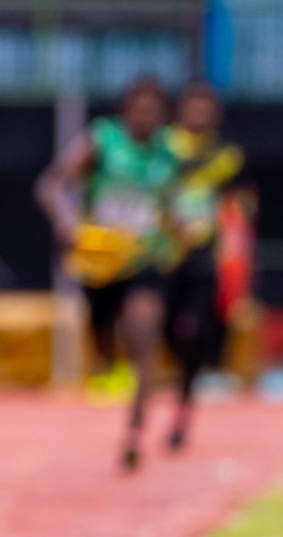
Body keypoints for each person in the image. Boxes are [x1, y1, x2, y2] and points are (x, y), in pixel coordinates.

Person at [36, 77, 177, 471]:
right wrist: (65, 223)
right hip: (99, 263)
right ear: (125, 110)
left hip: (145, 262)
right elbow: (50, 185)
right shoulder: (102, 141)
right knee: (101, 333)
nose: (146, 118)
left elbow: (172, 209)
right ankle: (106, 357)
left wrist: (180, 229)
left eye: (154, 111)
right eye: (139, 109)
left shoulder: (169, 154)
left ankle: (134, 432)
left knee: (143, 332)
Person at [162, 82, 245, 451]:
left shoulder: (227, 157)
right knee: (161, 328)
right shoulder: (162, 149)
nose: (198, 114)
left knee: (194, 333)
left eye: (205, 108)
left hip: (203, 259)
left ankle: (183, 409)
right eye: (192, 107)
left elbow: (239, 208)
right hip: (161, 256)